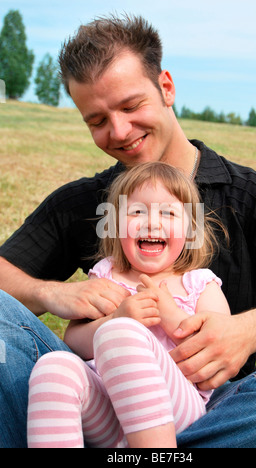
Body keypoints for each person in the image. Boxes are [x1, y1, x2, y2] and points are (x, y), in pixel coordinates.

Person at [0, 13, 256, 448]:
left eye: (130, 105)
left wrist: (252, 330)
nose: (118, 131)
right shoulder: (83, 202)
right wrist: (52, 295)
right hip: (97, 405)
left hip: (214, 410)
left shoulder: (250, 195)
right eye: (97, 120)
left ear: (166, 88)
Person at [27, 162, 231, 448]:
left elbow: (219, 349)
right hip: (109, 414)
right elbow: (73, 340)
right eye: (137, 211)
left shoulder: (199, 284)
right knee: (55, 367)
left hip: (177, 410)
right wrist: (116, 317)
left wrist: (171, 317)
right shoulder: (105, 275)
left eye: (169, 213)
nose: (151, 222)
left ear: (189, 230)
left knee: (120, 332)